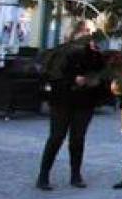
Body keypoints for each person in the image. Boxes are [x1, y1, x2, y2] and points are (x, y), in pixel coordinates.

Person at [36, 21, 107, 190]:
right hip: (62, 99)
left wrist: (94, 78)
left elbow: (102, 72)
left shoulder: (94, 53)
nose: (89, 35)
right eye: (86, 31)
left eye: (91, 31)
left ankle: (76, 175)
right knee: (57, 137)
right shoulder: (62, 51)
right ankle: (43, 175)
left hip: (85, 101)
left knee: (78, 139)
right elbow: (54, 74)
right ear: (76, 33)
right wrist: (73, 79)